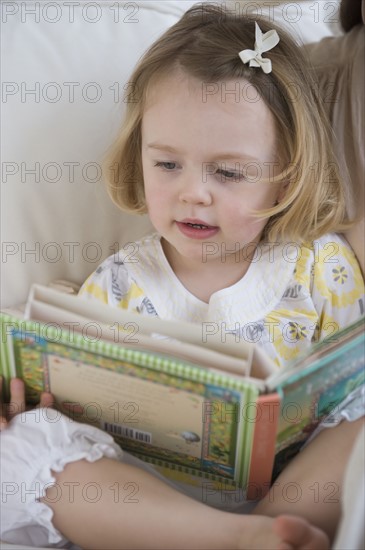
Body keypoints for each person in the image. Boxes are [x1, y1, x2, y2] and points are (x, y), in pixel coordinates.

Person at [1, 4, 364, 549]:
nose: (194, 192)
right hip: (151, 507)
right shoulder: (119, 280)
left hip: (296, 494)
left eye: (229, 172)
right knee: (22, 446)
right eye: (167, 165)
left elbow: (350, 388)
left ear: (287, 178)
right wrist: (46, 403)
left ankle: (267, 531)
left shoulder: (321, 268)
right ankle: (230, 538)